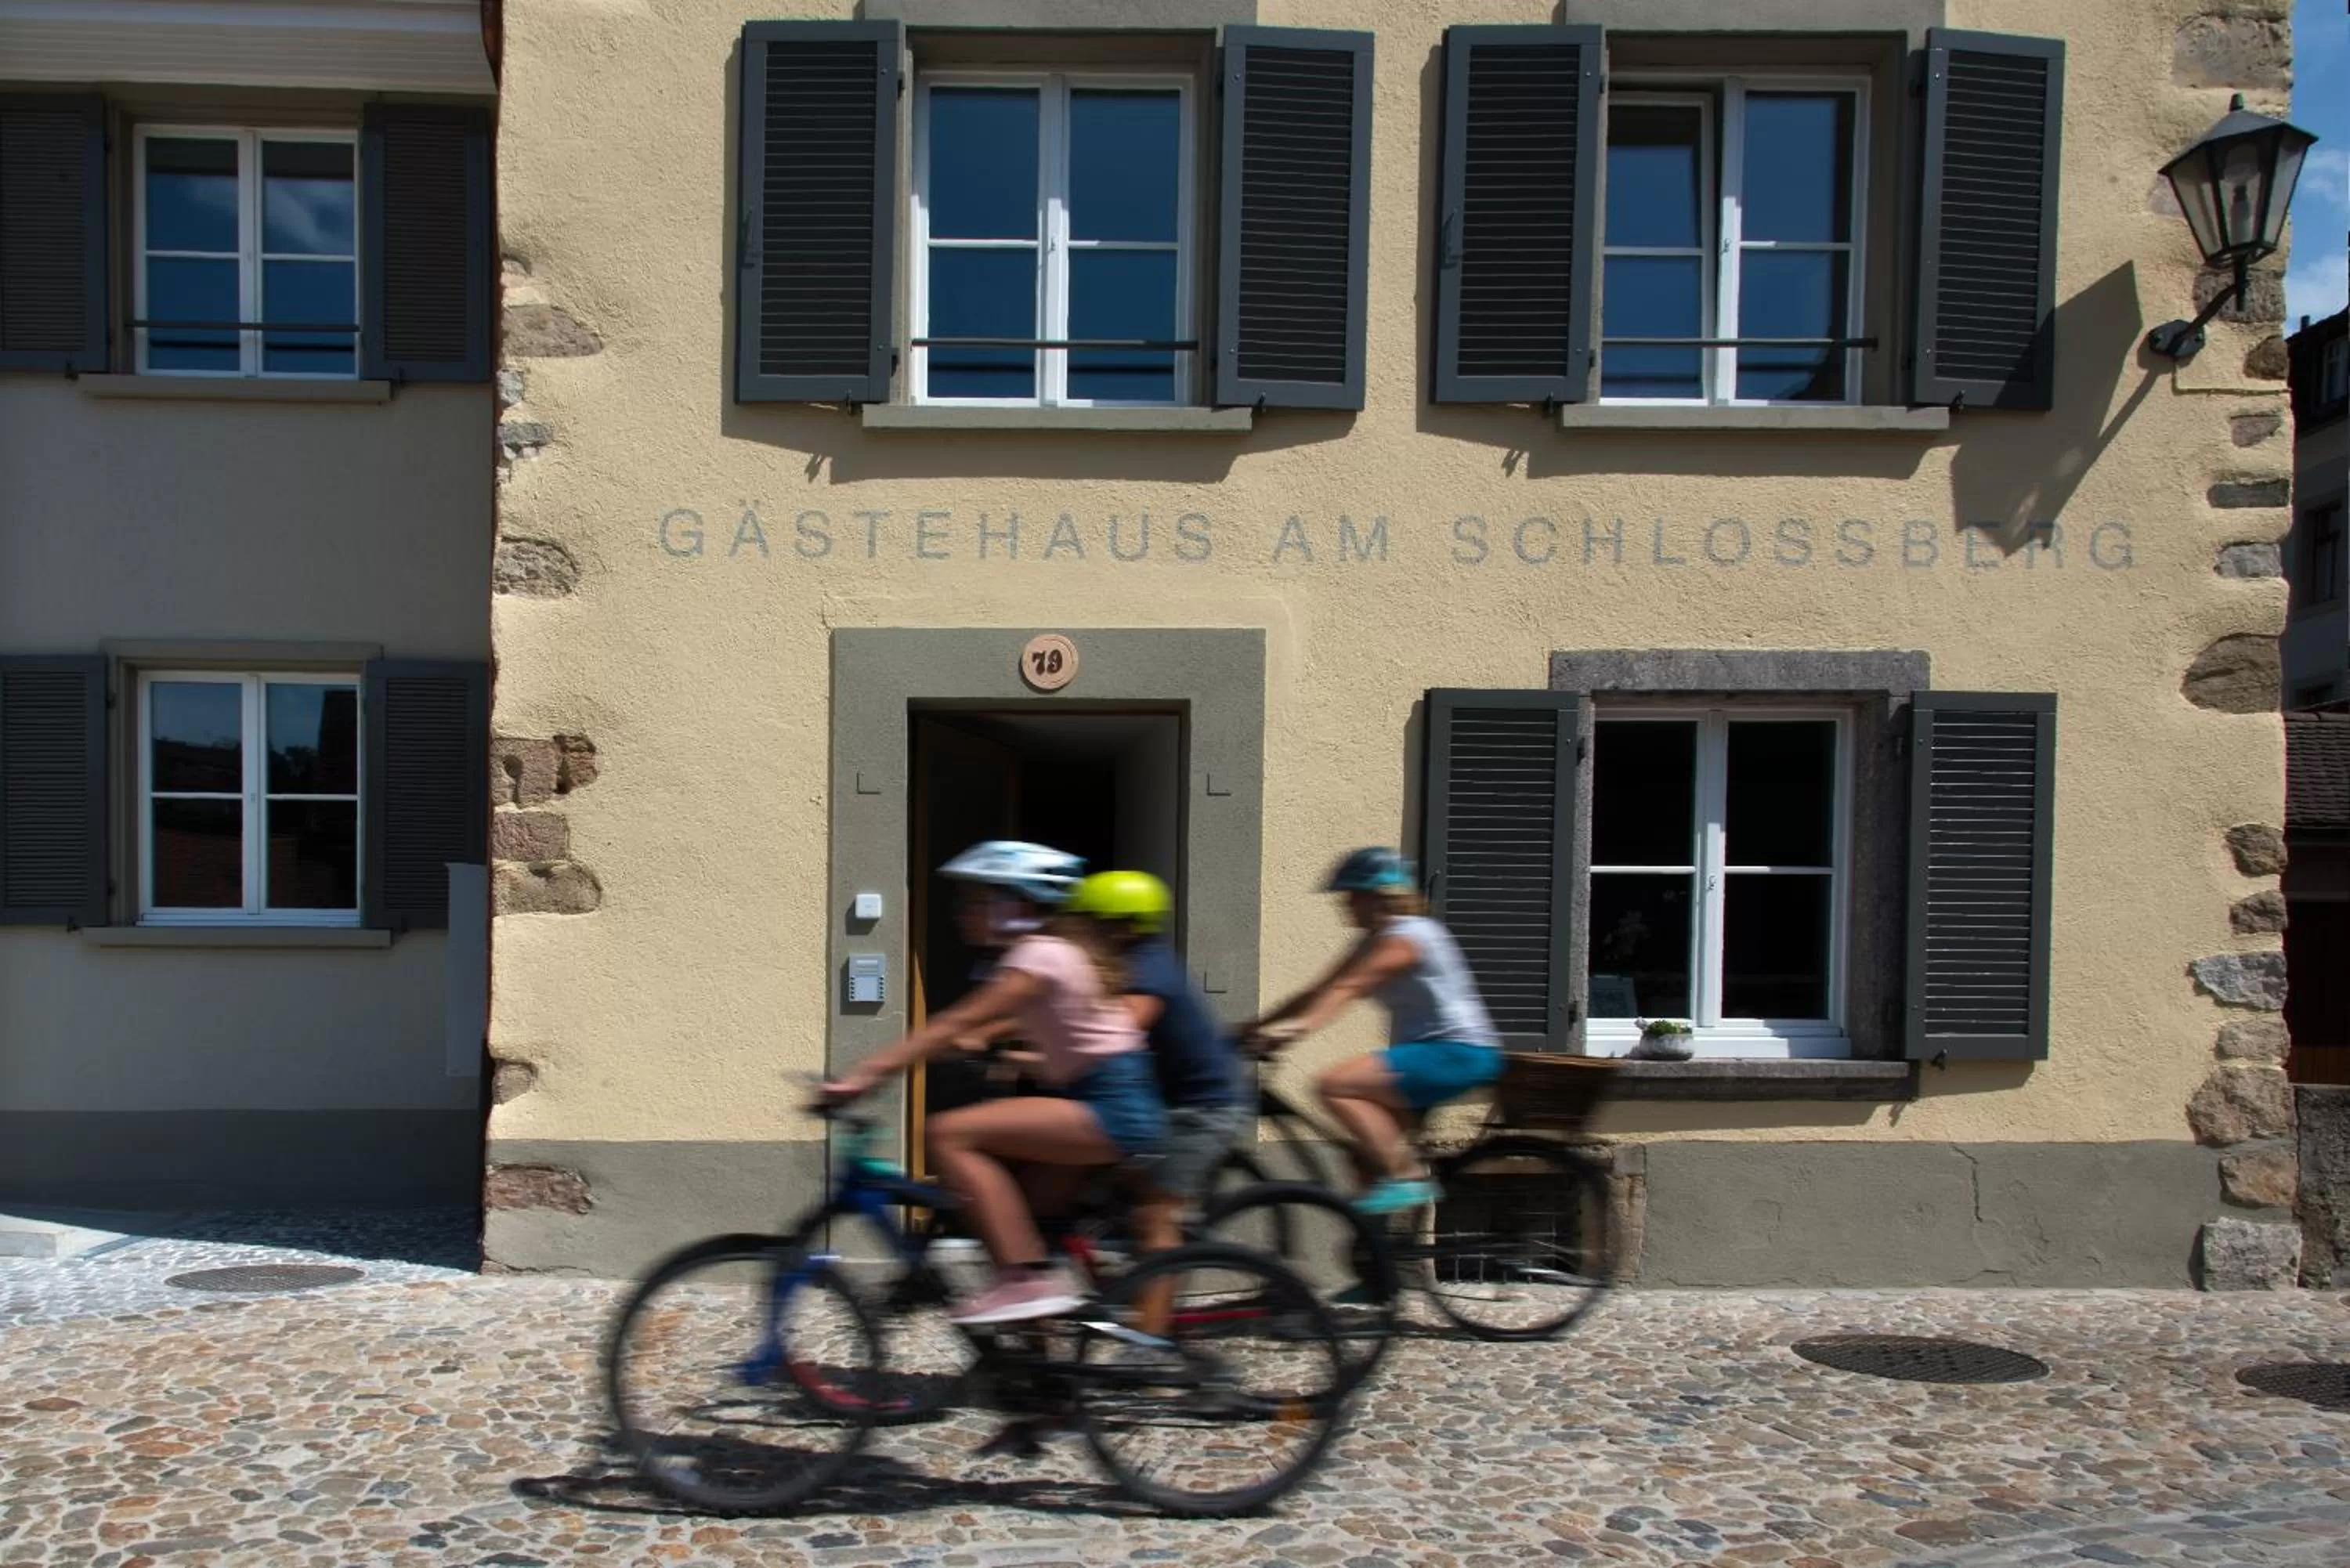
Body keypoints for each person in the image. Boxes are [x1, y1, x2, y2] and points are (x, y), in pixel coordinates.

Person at [817, 841, 1166, 1324]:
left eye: (978, 900)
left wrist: (865, 1074)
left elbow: (955, 1022)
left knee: (945, 1133)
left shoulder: (1039, 955)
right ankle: (1036, 1356)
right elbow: (1048, 1033)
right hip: (1103, 1097)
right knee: (1020, 1216)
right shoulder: (1049, 953)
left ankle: (1024, 1284)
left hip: (1113, 1108)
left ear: (1018, 904)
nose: (963, 911)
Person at [1243, 847, 1499, 1216]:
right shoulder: (1373, 941)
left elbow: (1350, 987)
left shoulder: (1409, 936)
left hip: (1455, 1052)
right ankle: (1381, 1261)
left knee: (1334, 1085)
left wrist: (1298, 1030)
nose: (1344, 905)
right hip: (1434, 1054)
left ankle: (1409, 1177)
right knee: (1366, 1162)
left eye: (1352, 896)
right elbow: (1319, 990)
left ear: (1379, 897)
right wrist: (1254, 1026)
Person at [1063, 870, 1247, 1224]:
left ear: (1126, 927)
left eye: (1090, 924)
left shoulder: (1148, 969)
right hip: (1160, 1102)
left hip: (1199, 1109)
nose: (1080, 934)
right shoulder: (1123, 965)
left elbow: (1116, 1030)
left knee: (1154, 1218)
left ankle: (1159, 1266)